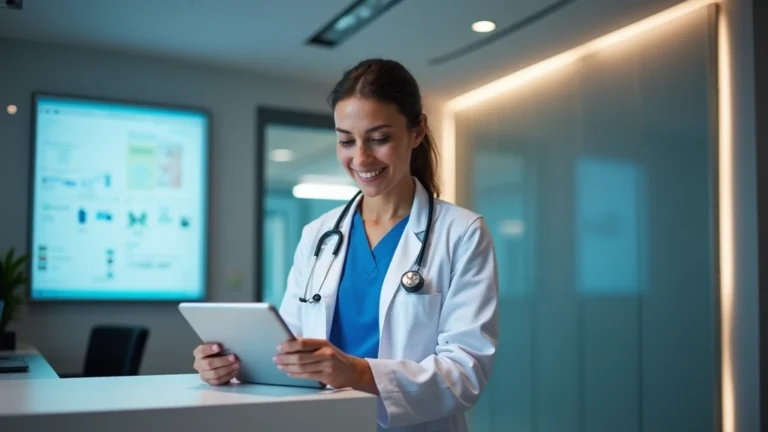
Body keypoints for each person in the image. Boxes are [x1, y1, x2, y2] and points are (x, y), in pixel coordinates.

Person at [193, 59, 499, 431]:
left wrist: (355, 371)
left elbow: (464, 373)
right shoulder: (318, 234)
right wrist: (232, 365)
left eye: (379, 138)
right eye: (346, 140)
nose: (361, 158)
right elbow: (287, 347)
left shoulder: (462, 233)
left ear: (417, 131)